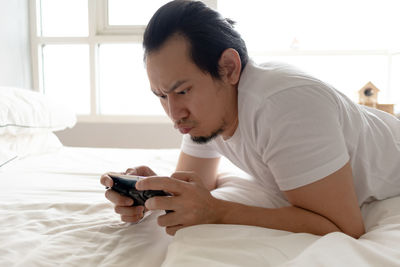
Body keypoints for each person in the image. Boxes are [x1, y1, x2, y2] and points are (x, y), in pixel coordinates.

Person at [100, 0, 400, 239]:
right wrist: (153, 191)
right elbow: (199, 184)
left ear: (229, 68)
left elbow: (345, 228)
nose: (174, 113)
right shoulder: (206, 115)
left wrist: (218, 211)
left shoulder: (287, 107)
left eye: (182, 90)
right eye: (161, 95)